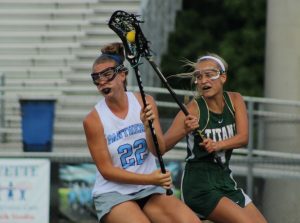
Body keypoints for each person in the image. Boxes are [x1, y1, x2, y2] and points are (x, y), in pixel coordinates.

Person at [83, 42, 201, 223]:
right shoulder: (93, 120)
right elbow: (107, 171)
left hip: (149, 190)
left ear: (122, 74)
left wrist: (148, 127)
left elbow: (158, 150)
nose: (102, 82)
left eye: (107, 74)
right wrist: (150, 179)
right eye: (96, 78)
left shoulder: (145, 102)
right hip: (114, 193)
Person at [163, 54, 268, 223]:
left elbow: (243, 138)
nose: (204, 81)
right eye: (198, 76)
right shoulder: (193, 110)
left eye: (210, 74)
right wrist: (183, 129)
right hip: (199, 184)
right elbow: (160, 148)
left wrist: (218, 144)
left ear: (223, 77)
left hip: (225, 178)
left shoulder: (235, 100)